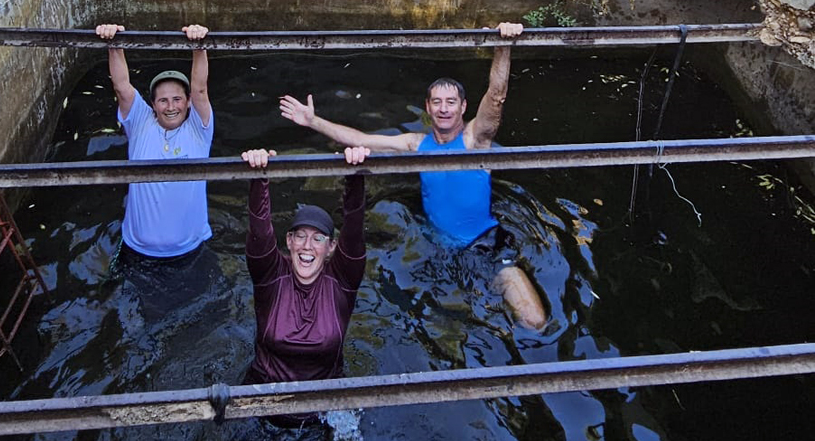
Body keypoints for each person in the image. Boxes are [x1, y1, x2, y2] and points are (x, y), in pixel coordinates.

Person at [278, 22, 546, 330]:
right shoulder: (417, 145)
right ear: (428, 108)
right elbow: (360, 140)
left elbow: (496, 97)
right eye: (437, 102)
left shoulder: (475, 140)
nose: (444, 109)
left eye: (451, 102)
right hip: (437, 247)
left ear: (463, 107)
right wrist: (313, 121)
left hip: (485, 244)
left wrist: (503, 46)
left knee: (533, 320)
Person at [240, 146, 370, 401]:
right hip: (262, 404)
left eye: (318, 238)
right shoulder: (271, 275)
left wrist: (355, 174)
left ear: (331, 247)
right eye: (300, 236)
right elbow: (259, 231)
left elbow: (354, 230)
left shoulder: (342, 281)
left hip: (322, 409)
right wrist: (259, 175)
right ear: (289, 241)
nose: (307, 246)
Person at [95, 22, 214, 270]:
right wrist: (113, 43)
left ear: (188, 102)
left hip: (190, 251)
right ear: (152, 105)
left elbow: (200, 88)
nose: (171, 107)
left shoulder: (198, 129)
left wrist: (199, 46)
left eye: (177, 99)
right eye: (163, 101)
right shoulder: (141, 123)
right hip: (137, 250)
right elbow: (122, 87)